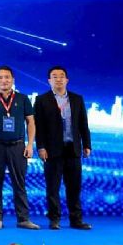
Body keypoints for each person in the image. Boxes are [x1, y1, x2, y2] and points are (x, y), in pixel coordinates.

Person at [0, 66, 40, 230]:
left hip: (17, 146)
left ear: (12, 80)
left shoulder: (23, 99)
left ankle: (23, 219)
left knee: (19, 184)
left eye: (7, 77)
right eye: (0, 77)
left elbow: (31, 122)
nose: (3, 80)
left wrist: (30, 144)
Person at [34, 66, 92, 230]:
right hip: (52, 151)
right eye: (54, 76)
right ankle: (54, 219)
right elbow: (39, 126)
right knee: (53, 187)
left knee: (74, 187)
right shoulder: (41, 100)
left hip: (73, 149)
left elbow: (83, 124)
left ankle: (76, 220)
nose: (58, 79)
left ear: (67, 80)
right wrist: (41, 147)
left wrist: (87, 145)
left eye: (61, 76)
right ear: (49, 81)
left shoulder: (77, 99)